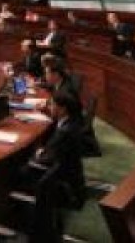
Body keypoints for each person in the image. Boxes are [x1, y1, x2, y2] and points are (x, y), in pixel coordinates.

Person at [26, 92, 86, 240]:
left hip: (62, 183)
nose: (50, 107)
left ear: (63, 109)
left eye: (52, 105)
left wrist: (39, 153)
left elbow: (47, 159)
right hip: (72, 176)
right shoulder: (71, 123)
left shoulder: (64, 132)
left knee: (22, 169)